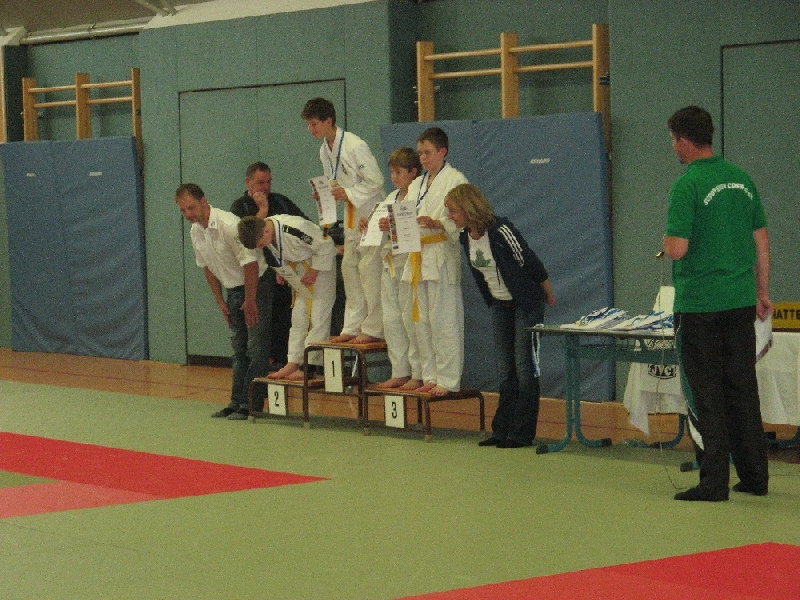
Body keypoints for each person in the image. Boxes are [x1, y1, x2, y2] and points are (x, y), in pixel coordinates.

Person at [662, 105, 771, 501]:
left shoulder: (687, 185)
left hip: (700, 306)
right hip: (739, 302)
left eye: (673, 140)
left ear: (684, 140)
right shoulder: (742, 181)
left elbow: (677, 249)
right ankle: (755, 477)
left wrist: (665, 243)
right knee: (742, 389)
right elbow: (761, 244)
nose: (673, 147)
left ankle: (713, 482)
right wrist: (762, 292)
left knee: (705, 393)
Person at [445, 183, 556, 448]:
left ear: (468, 209)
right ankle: (501, 430)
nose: (450, 216)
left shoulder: (500, 230)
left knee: (524, 368)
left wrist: (547, 293)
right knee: (505, 370)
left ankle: (521, 433)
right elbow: (480, 275)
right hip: (500, 305)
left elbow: (529, 261)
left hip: (525, 303)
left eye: (453, 211)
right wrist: (493, 301)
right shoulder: (465, 237)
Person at [175, 183, 271, 420]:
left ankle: (251, 405)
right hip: (233, 289)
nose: (188, 214)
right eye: (183, 210)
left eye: (191, 208)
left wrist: (250, 300)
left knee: (255, 348)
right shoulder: (196, 231)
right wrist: (220, 301)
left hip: (256, 286)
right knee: (238, 349)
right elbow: (206, 267)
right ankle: (235, 402)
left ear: (204, 201)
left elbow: (251, 264)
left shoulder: (229, 225)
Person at [301, 97, 385, 344]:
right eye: (308, 125)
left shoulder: (355, 145)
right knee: (349, 269)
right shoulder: (324, 150)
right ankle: (353, 326)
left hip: (370, 211)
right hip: (350, 214)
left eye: (314, 124)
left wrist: (347, 193)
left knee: (370, 270)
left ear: (328, 121)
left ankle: (374, 328)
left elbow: (376, 181)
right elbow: (335, 183)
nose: (311, 129)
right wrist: (325, 194)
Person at [401, 127, 468, 397]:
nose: (423, 158)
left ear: (443, 151)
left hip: (441, 254)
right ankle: (429, 375)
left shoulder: (456, 180)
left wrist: (438, 223)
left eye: (428, 152)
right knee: (420, 322)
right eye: (420, 153)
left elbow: (464, 218)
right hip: (417, 255)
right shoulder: (415, 184)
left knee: (444, 321)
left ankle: (448, 380)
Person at [237, 214, 337, 381]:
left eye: (261, 244)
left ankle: (310, 366)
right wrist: (282, 271)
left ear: (265, 230)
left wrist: (315, 270)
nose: (262, 247)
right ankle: (293, 362)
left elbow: (326, 244)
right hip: (298, 270)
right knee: (298, 317)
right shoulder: (266, 232)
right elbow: (279, 254)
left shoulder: (294, 228)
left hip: (319, 267)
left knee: (318, 315)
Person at [230, 162, 309, 370]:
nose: (265, 187)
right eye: (260, 182)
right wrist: (263, 210)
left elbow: (304, 225)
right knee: (260, 332)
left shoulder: (280, 201)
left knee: (285, 322)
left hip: (285, 273)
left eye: (268, 182)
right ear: (248, 182)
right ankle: (261, 372)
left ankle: (286, 365)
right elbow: (247, 240)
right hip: (258, 276)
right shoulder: (239, 207)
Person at [359, 147, 423, 389]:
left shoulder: (419, 197)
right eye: (392, 172)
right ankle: (400, 371)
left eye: (399, 172)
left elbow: (417, 229)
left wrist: (393, 225)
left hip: (410, 263)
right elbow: (380, 227)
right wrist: (369, 226)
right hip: (390, 264)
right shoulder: (391, 198)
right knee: (392, 320)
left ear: (413, 172)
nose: (394, 177)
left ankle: (418, 373)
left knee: (410, 320)